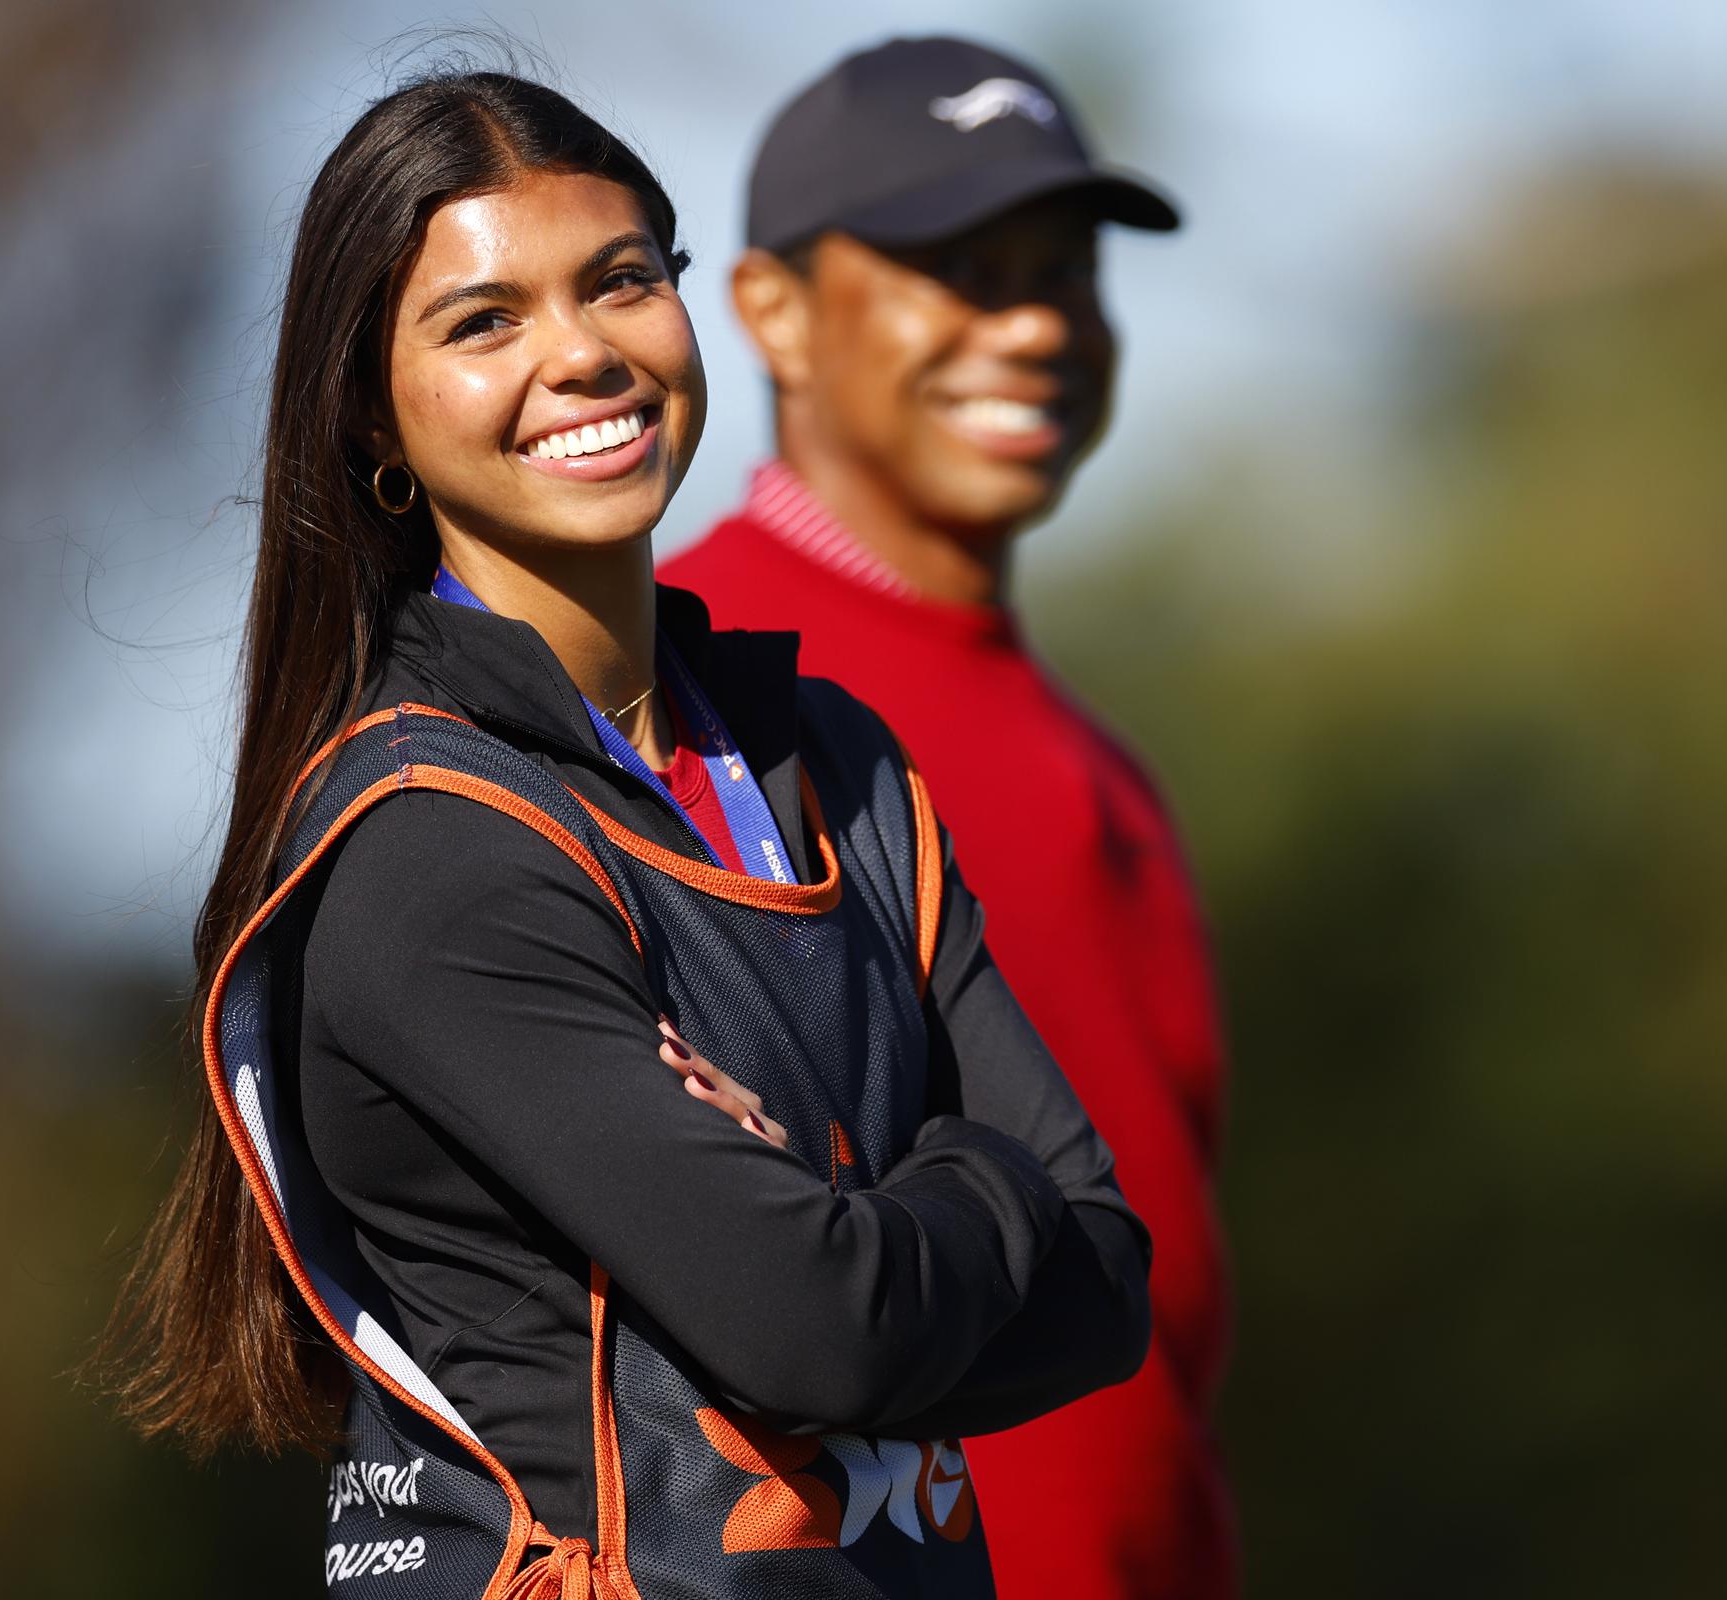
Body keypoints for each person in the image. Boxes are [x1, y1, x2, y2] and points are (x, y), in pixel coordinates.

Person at [101, 66, 1148, 1599]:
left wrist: (853, 1220)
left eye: (620, 282)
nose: (583, 354)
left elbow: (1107, 1278)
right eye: (483, 321)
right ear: (373, 418)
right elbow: (823, 1326)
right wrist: (983, 1179)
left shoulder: (833, 764)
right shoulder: (436, 852)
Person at [660, 37, 1233, 1600]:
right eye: (961, 268)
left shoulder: (1106, 764)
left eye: (1065, 272)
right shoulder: (673, 685)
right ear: (772, 311)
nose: (1035, 322)